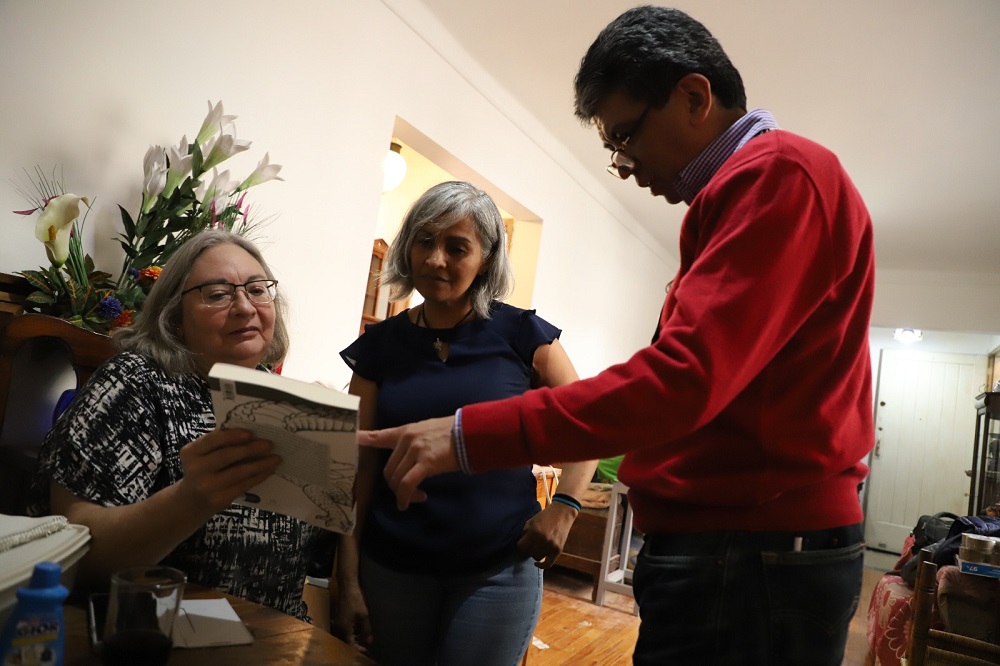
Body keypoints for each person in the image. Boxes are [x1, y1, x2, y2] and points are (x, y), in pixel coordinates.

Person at [361, 7, 876, 665]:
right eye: (614, 148)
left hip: (751, 549)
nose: (624, 163)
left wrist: (464, 435)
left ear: (694, 96)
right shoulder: (736, 196)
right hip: (735, 547)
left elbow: (681, 380)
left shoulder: (776, 175)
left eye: (627, 136)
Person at [335, 181, 597, 665]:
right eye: (424, 241)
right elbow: (357, 468)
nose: (436, 260)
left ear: (485, 260)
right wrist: (346, 576)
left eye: (457, 247)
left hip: (496, 569)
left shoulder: (522, 334)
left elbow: (590, 423)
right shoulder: (379, 347)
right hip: (391, 567)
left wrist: (563, 507)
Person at [27, 229, 324, 620]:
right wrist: (192, 498)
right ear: (174, 316)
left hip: (278, 638)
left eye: (257, 289)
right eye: (218, 294)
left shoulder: (281, 401)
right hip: (159, 635)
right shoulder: (136, 382)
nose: (244, 307)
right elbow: (71, 544)